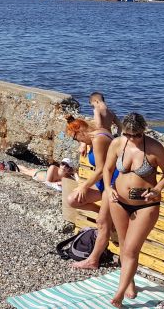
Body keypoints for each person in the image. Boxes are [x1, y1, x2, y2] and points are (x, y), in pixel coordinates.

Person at [105, 113, 164, 308]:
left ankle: (119, 293)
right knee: (124, 244)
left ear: (144, 130)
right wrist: (109, 189)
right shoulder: (118, 144)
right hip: (118, 201)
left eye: (137, 135)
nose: (132, 139)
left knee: (131, 249)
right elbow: (107, 169)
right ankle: (129, 281)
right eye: (128, 135)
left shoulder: (154, 148)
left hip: (146, 205)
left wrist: (157, 189)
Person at [65, 115, 116, 269]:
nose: (78, 143)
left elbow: (101, 170)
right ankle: (105, 213)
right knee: (73, 200)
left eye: (77, 139)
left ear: (81, 130)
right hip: (103, 184)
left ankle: (93, 260)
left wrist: (84, 186)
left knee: (101, 222)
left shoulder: (98, 139)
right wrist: (85, 145)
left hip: (113, 184)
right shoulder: (95, 135)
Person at [0, 158, 77, 190]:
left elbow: (77, 183)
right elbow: (47, 182)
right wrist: (57, 183)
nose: (64, 166)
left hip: (40, 172)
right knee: (19, 170)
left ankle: (5, 163)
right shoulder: (53, 168)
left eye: (67, 166)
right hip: (38, 174)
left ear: (69, 168)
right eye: (63, 163)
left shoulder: (67, 176)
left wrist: (75, 173)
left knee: (24, 169)